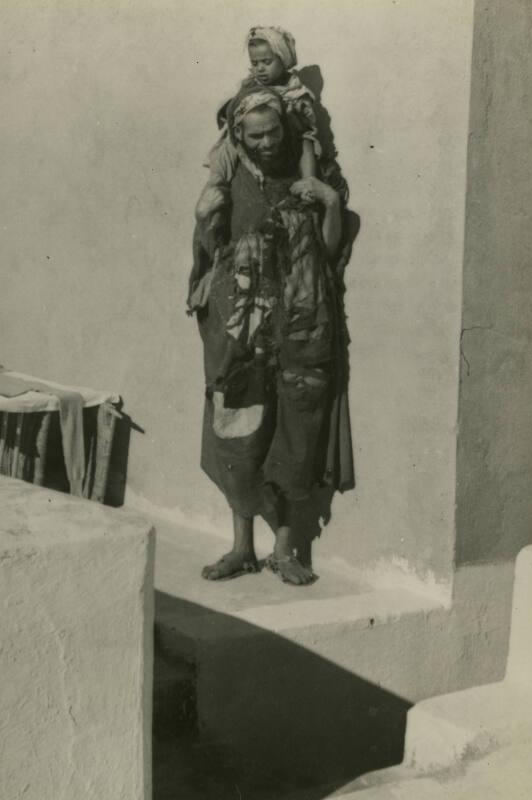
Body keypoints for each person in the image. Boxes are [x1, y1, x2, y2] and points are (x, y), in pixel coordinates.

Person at [187, 86, 355, 586]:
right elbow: (211, 248)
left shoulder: (309, 175)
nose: (266, 143)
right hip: (243, 326)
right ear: (238, 135)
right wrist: (205, 226)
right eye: (255, 135)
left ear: (286, 127)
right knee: (238, 428)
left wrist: (329, 202)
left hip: (301, 320)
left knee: (295, 430)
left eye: (273, 132)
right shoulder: (229, 177)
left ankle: (284, 551)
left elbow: (328, 250)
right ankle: (241, 548)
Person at [195, 26, 321, 223]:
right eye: (255, 63)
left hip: (286, 137)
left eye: (267, 62)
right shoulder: (249, 84)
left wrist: (292, 113)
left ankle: (308, 182)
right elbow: (235, 107)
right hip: (251, 136)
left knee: (306, 141)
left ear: (283, 59)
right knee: (227, 146)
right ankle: (215, 184)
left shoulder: (295, 91)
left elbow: (305, 127)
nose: (260, 68)